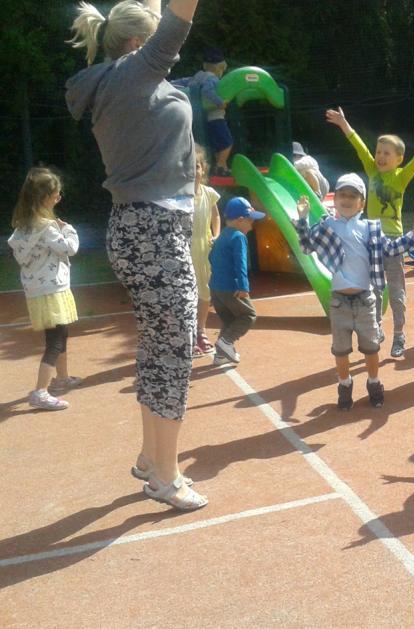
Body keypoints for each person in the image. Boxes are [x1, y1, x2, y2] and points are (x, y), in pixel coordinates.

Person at [66, 0, 206, 511]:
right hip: (155, 232)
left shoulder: (120, 79)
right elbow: (179, 16)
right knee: (172, 354)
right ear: (137, 44)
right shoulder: (137, 72)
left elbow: (156, 11)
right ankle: (165, 479)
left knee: (156, 349)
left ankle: (152, 458)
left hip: (140, 228)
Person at [295, 174, 414, 410]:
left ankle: (373, 382)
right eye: (342, 195)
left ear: (361, 203)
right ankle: (345, 385)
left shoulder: (370, 228)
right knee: (341, 351)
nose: (346, 199)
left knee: (371, 348)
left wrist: (413, 234)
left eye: (352, 196)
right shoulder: (326, 226)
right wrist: (303, 219)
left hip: (366, 300)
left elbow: (392, 249)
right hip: (339, 302)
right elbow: (306, 246)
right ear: (334, 199)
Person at [326, 106, 414, 359]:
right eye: (379, 151)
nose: (380, 156)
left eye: (386, 153)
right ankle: (376, 328)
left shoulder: (399, 178)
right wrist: (344, 124)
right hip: (371, 239)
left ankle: (399, 333)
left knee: (397, 291)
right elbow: (359, 147)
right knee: (374, 290)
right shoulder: (371, 171)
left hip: (394, 241)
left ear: (398, 159)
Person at [8, 167, 83, 411]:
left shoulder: (23, 228)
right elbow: (70, 248)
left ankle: (62, 377)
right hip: (53, 290)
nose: (58, 198)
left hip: (37, 291)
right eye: (56, 194)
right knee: (56, 341)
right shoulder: (49, 228)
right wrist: (67, 228)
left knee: (59, 335)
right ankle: (41, 390)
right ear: (45, 198)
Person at [208, 197, 263, 366]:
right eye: (251, 221)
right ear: (240, 220)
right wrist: (243, 286)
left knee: (229, 320)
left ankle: (221, 355)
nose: (252, 225)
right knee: (248, 315)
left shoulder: (223, 235)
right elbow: (241, 263)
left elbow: (211, 257)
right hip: (231, 287)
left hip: (216, 288)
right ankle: (226, 342)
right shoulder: (239, 236)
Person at [174, 47, 232, 176]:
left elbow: (182, 82)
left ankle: (220, 167)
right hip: (215, 117)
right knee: (227, 144)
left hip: (200, 118)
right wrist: (220, 103)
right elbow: (207, 91)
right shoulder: (212, 79)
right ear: (220, 67)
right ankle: (221, 165)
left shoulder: (198, 77)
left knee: (218, 145)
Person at [190, 146, 221, 357]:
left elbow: (216, 216)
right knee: (187, 295)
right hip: (185, 250)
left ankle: (201, 330)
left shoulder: (209, 194)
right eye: (189, 167)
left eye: (197, 167)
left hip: (204, 250)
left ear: (204, 169)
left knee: (205, 293)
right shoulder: (180, 196)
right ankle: (189, 335)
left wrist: (216, 234)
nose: (193, 171)